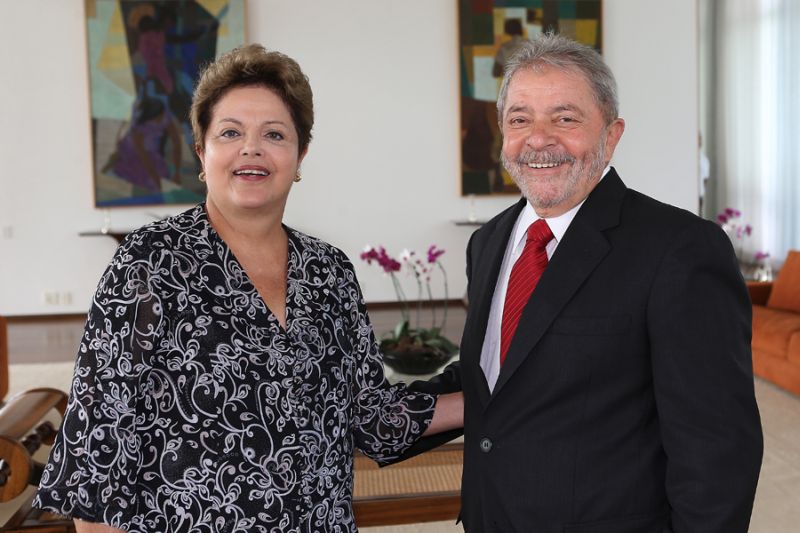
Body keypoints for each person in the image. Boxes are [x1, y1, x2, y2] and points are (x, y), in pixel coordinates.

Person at [34, 44, 463, 533]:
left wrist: (490, 396)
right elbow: (98, 458)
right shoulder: (149, 264)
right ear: (202, 151)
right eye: (230, 132)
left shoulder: (329, 272)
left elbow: (370, 419)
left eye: (274, 134)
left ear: (300, 154)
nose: (251, 149)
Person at [405, 33, 763, 532]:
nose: (538, 139)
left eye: (565, 118)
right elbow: (496, 377)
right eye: (520, 119)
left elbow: (717, 447)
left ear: (611, 135)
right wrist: (366, 415)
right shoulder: (488, 242)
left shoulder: (680, 249)